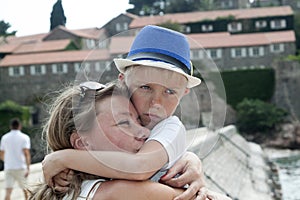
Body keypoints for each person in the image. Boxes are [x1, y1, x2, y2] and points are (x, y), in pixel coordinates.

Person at [42, 25, 228, 200]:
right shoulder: (107, 107)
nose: (156, 103)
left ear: (184, 93)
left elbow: (139, 167)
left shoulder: (169, 126)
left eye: (170, 92)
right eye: (146, 87)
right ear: (122, 81)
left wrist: (64, 158)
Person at [29, 82, 195, 199]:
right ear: (82, 143)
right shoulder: (117, 193)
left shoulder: (67, 192)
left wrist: (188, 159)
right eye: (123, 123)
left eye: (137, 121)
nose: (144, 132)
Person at [0, 118, 31, 200]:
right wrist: (28, 168)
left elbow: (1, 154)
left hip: (9, 168)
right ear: (19, 126)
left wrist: (6, 161)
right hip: (21, 167)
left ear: (11, 126)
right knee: (25, 191)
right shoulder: (25, 137)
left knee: (8, 192)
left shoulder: (4, 138)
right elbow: (26, 153)